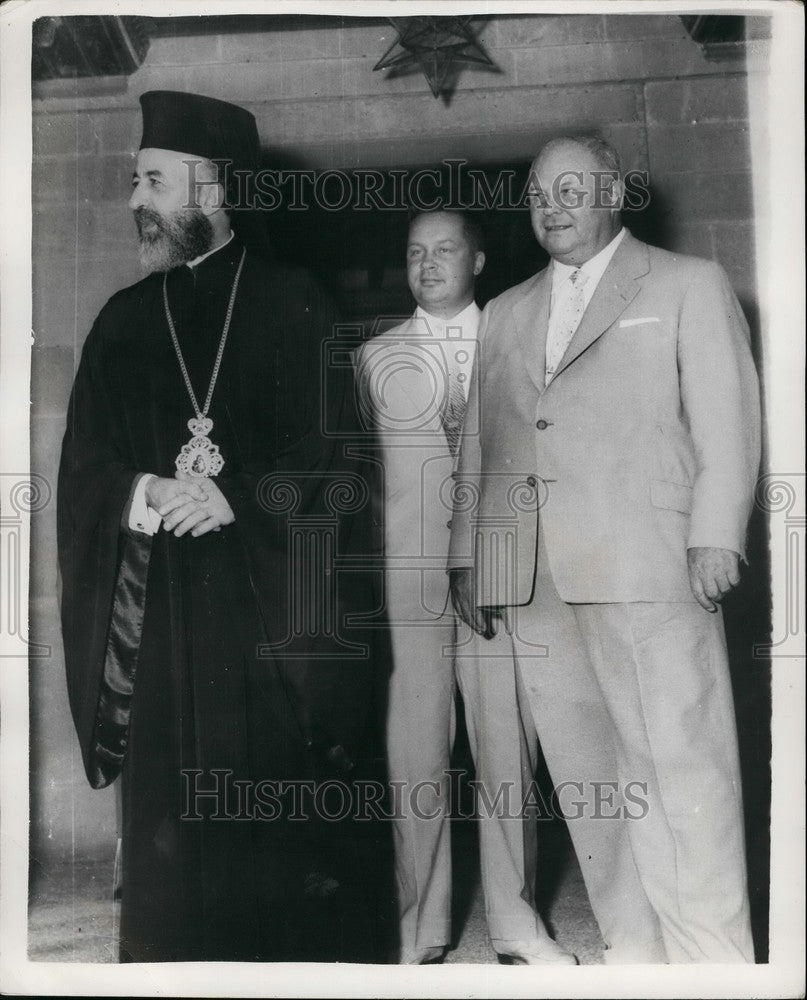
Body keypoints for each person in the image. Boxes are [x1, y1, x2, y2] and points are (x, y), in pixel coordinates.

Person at [57, 90, 376, 963]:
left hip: (263, 621)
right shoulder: (122, 323)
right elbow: (83, 475)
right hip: (158, 622)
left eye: (152, 181)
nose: (134, 201)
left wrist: (243, 493)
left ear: (214, 188)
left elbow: (341, 459)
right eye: (134, 181)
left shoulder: (292, 302)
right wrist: (144, 489)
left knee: (273, 859)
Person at [449, 135, 761, 964]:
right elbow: (481, 447)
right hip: (535, 581)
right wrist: (470, 559)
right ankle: (635, 951)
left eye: (570, 190)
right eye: (536, 194)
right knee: (590, 782)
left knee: (680, 775)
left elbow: (725, 422)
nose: (550, 207)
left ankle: (714, 964)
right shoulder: (508, 310)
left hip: (649, 566)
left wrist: (714, 534)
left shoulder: (686, 284)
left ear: (615, 193)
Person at [356, 209, 575, 965]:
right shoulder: (371, 359)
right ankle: (420, 927)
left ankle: (517, 926)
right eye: (414, 252)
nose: (427, 263)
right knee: (413, 753)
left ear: (478, 260)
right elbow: (360, 483)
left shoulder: (520, 343)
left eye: (444, 249)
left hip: (496, 577)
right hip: (408, 584)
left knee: (504, 748)